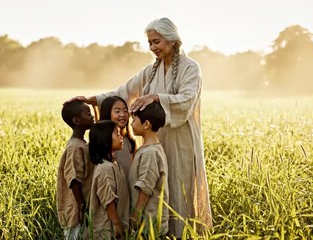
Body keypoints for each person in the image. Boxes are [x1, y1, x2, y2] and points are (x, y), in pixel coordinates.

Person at [66, 17, 212, 237]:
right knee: (154, 185)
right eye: (150, 43)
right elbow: (124, 91)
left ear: (172, 40)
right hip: (155, 137)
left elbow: (187, 100)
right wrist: (93, 99)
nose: (153, 47)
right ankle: (154, 231)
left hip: (181, 140)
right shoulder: (150, 71)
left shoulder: (191, 68)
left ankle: (180, 233)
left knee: (178, 186)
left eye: (157, 42)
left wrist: (156, 97)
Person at [128, 102, 169, 237]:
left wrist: (135, 215)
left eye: (133, 120)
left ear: (146, 124)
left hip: (149, 223)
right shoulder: (150, 148)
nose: (131, 124)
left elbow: (146, 186)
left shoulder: (150, 153)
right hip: (148, 222)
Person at [56, 100, 95, 239]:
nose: (92, 117)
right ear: (77, 121)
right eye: (88, 113)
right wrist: (81, 206)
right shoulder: (75, 147)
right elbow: (73, 178)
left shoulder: (81, 143)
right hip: (75, 212)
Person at [88, 120, 130, 239]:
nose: (121, 136)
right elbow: (108, 200)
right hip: (107, 231)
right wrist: (117, 224)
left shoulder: (113, 163)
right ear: (105, 139)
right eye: (117, 134)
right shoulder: (105, 168)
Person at [99, 96, 136, 180]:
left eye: (125, 111)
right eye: (117, 111)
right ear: (107, 114)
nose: (123, 115)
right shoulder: (104, 143)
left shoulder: (128, 141)